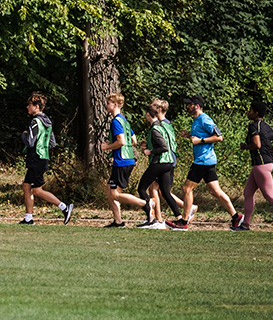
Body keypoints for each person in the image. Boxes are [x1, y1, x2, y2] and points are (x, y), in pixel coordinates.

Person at [166, 95, 241, 230]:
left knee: (187, 189)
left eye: (190, 105)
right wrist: (188, 135)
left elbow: (219, 137)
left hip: (203, 160)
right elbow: (200, 136)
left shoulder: (205, 119)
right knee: (215, 191)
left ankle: (183, 222)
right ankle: (236, 216)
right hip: (207, 160)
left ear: (197, 106)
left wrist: (200, 141)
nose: (187, 107)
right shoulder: (196, 120)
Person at [233, 100, 273, 232]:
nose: (248, 112)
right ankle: (245, 225)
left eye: (250, 110)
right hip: (266, 163)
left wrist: (245, 147)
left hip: (261, 164)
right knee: (248, 193)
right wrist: (269, 152)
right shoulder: (269, 127)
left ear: (256, 113)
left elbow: (257, 145)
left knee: (269, 195)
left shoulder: (253, 126)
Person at [20, 93, 73, 225]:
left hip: (36, 158)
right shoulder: (47, 122)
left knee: (37, 190)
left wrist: (24, 135)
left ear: (36, 107)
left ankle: (64, 207)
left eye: (29, 105)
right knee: (26, 186)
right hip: (43, 157)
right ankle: (28, 218)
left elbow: (30, 142)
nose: (27, 107)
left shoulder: (35, 122)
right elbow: (52, 143)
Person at [98, 93, 145, 228]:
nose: (106, 105)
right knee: (110, 190)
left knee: (115, 194)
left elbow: (122, 141)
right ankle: (118, 221)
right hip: (127, 160)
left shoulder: (115, 122)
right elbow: (134, 141)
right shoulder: (124, 121)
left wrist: (107, 146)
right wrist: (113, 143)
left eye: (108, 103)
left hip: (122, 161)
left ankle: (146, 203)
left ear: (115, 105)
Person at [136, 100, 181, 229]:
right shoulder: (162, 127)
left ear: (149, 114)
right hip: (168, 163)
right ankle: (180, 220)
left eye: (146, 113)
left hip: (160, 162)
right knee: (166, 192)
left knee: (141, 188)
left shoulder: (155, 129)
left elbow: (164, 147)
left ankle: (151, 219)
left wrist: (150, 151)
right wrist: (148, 145)